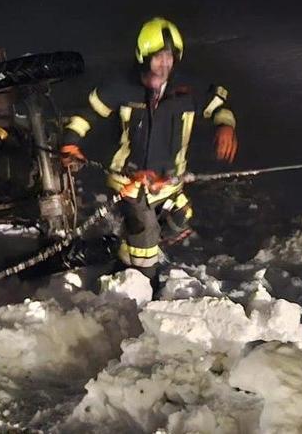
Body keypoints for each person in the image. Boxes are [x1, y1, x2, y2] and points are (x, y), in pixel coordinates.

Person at [60, 17, 238, 280]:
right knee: (145, 238)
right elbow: (87, 114)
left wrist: (226, 127)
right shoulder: (121, 87)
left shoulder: (188, 90)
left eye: (169, 57)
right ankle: (144, 290)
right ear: (143, 57)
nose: (164, 63)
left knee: (181, 218)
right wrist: (70, 142)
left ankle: (122, 258)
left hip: (168, 182)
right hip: (129, 182)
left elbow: (220, 108)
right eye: (157, 57)